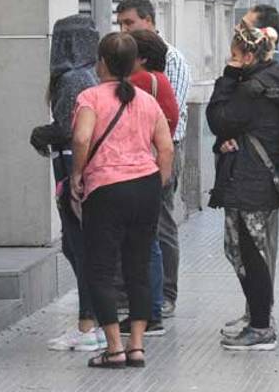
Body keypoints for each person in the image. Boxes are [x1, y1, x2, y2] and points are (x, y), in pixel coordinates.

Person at [71, 33, 174, 369]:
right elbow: (166, 148)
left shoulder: (90, 97)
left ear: (101, 62)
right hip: (145, 187)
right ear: (132, 64)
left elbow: (83, 137)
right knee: (138, 267)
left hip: (106, 189)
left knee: (100, 269)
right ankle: (138, 346)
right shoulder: (146, 100)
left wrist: (77, 174)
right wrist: (158, 182)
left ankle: (114, 347)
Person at [208, 22, 279, 351]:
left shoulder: (251, 88)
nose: (231, 60)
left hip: (250, 180)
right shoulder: (274, 77)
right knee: (248, 251)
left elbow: (218, 119)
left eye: (234, 55)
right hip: (257, 177)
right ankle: (259, 318)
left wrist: (226, 77)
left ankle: (261, 326)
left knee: (251, 253)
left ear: (247, 56)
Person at [30, 15, 102, 351]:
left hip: (73, 168)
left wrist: (41, 133)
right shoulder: (87, 75)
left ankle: (88, 325)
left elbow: (70, 129)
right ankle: (96, 320)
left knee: (80, 246)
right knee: (77, 246)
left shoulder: (74, 78)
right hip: (76, 166)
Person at [115, 0, 190, 318]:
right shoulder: (127, 60)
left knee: (161, 224)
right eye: (120, 24)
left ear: (148, 20)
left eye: (129, 23)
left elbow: (166, 115)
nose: (124, 30)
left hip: (163, 151)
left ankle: (166, 293)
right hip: (135, 156)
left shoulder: (169, 60)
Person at [126, 29, 179, 337]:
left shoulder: (142, 81)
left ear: (141, 58)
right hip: (158, 161)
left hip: (148, 164)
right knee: (156, 234)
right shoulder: (160, 79)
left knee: (150, 240)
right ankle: (155, 303)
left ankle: (152, 307)